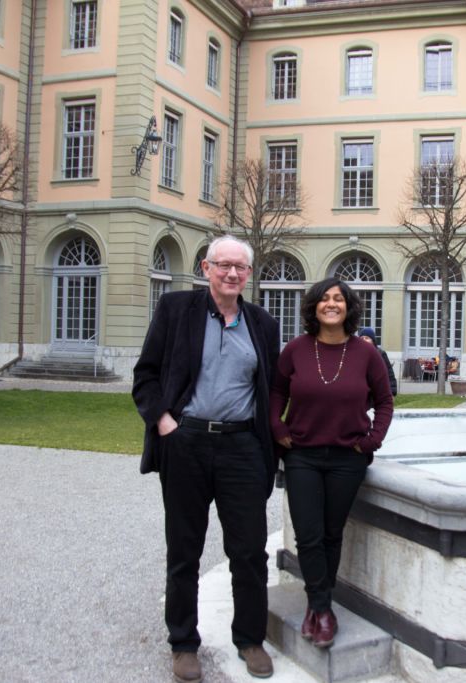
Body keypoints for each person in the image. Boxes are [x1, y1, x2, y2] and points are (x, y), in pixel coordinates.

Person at [132, 235, 281, 683]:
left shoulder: (262, 322)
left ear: (249, 275)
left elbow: (272, 389)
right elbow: (146, 375)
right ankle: (183, 643)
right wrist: (164, 423)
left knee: (249, 551)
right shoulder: (177, 310)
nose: (231, 273)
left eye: (240, 267)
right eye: (223, 265)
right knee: (184, 549)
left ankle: (250, 639)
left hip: (242, 448)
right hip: (188, 442)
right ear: (206, 268)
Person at [270, 278, 394, 650]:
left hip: (347, 459)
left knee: (330, 533)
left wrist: (373, 439)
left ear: (349, 308)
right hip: (303, 455)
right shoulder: (295, 350)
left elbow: (385, 401)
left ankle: (317, 607)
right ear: (313, 308)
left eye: (338, 299)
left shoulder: (366, 353)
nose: (331, 304)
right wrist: (277, 426)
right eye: (324, 299)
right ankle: (321, 609)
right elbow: (276, 392)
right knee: (308, 536)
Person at [357, 327, 397, 396]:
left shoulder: (380, 354)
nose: (364, 340)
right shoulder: (356, 355)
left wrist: (392, 391)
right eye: (362, 338)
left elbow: (389, 373)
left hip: (377, 392)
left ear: (372, 340)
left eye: (367, 338)